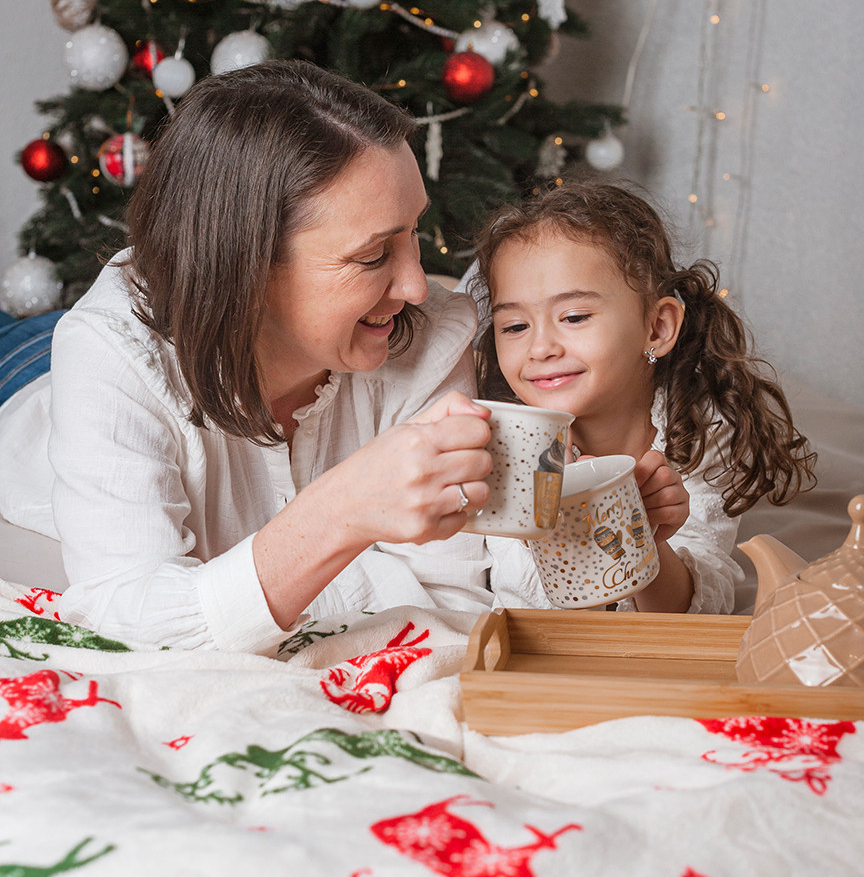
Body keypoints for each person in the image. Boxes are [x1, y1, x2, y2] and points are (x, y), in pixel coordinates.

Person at [0, 59, 496, 653]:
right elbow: (128, 618)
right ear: (246, 267)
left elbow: (452, 601)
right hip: (31, 381)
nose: (418, 286)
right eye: (371, 257)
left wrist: (228, 587)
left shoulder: (431, 334)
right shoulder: (111, 350)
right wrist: (342, 512)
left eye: (413, 231)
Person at [470, 180, 816, 614]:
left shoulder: (699, 432)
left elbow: (693, 615)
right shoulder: (504, 441)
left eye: (574, 317)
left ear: (657, 328)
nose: (540, 348)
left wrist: (645, 539)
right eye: (515, 326)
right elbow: (520, 607)